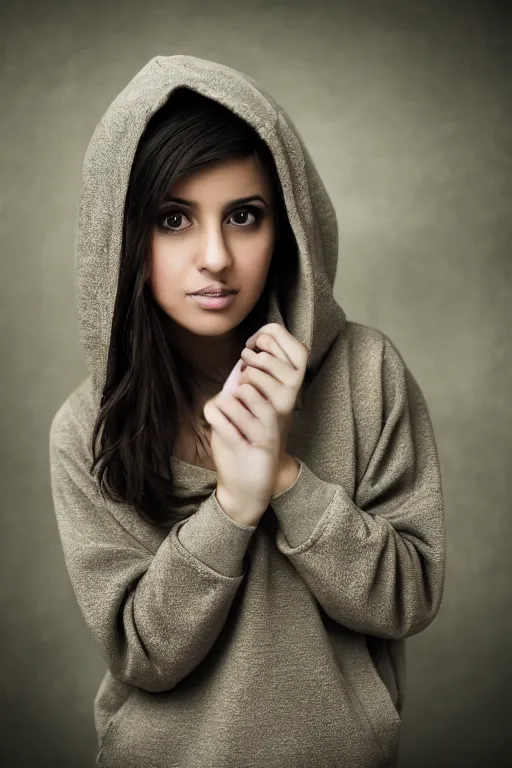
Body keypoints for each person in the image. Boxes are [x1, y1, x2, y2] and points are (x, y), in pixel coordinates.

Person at [49, 55, 446, 768]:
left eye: (244, 216)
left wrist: (287, 477)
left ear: (286, 227)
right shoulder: (87, 428)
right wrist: (233, 505)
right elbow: (145, 653)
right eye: (174, 219)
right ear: (125, 238)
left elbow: (408, 599)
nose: (215, 257)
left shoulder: (365, 372)